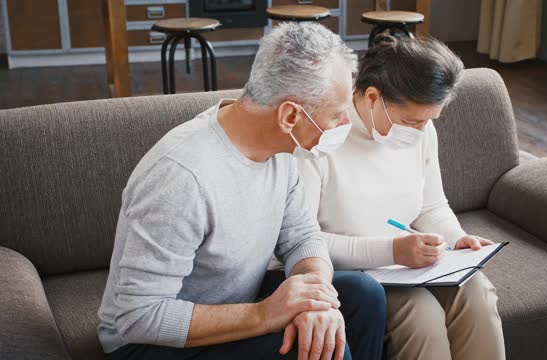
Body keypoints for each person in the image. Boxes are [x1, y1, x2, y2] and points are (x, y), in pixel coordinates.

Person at [97, 22, 386, 360]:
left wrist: (315, 298)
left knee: (364, 294)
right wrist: (265, 314)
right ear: (290, 115)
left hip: (232, 304)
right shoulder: (181, 177)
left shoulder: (281, 149)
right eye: (336, 115)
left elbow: (302, 238)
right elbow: (140, 318)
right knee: (312, 353)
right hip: (148, 345)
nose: (344, 126)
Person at [292, 34, 506, 360]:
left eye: (429, 121)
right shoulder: (319, 138)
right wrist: (392, 249)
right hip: (351, 273)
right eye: (412, 121)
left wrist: (457, 238)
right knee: (419, 314)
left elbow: (432, 206)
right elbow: (299, 242)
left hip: (407, 264)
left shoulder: (419, 131)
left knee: (476, 291)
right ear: (374, 97)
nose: (421, 132)